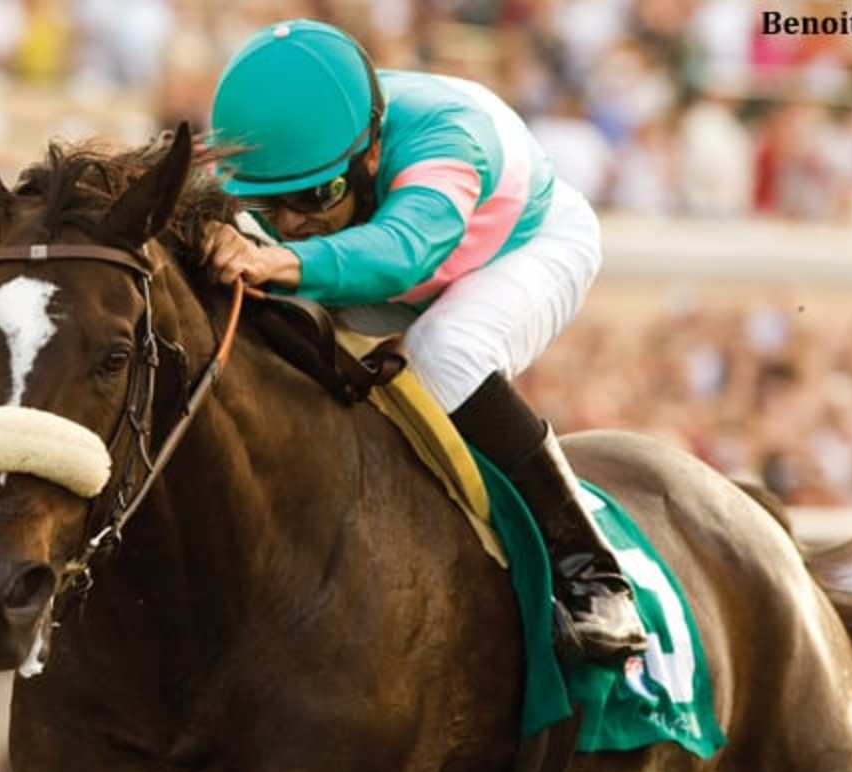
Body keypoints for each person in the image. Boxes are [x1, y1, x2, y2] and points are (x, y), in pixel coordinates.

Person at [200, 19, 645, 661]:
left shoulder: (446, 135)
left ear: (371, 153)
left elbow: (404, 251)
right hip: (390, 275)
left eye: (315, 195)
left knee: (443, 351)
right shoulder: (288, 155)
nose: (293, 223)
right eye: (272, 208)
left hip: (521, 248)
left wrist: (277, 259)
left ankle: (592, 577)